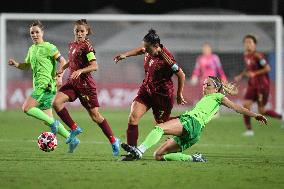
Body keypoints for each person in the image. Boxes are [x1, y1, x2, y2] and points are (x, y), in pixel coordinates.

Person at [121, 76, 267, 162]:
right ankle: (194, 158)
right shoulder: (207, 99)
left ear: (216, 89)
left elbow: (237, 107)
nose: (204, 87)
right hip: (195, 133)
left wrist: (255, 115)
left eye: (208, 85)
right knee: (158, 155)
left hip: (191, 122)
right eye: (203, 85)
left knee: (159, 128)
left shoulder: (218, 97)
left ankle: (139, 151)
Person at [114, 29, 186, 160]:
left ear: (156, 46)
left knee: (161, 124)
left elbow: (181, 74)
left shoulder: (167, 59)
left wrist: (179, 94)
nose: (145, 50)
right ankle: (133, 153)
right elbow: (141, 50)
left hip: (162, 96)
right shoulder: (148, 49)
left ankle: (186, 123)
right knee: (133, 117)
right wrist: (126, 55)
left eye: (147, 48)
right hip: (146, 90)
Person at [8, 21, 79, 153]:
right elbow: (27, 66)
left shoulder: (49, 47)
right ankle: (72, 138)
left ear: (42, 33)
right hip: (41, 86)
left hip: (46, 85)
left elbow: (63, 61)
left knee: (26, 108)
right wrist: (16, 64)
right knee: (48, 119)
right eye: (32, 33)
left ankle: (54, 124)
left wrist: (59, 76)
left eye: (37, 32)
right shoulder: (32, 49)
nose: (34, 35)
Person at [52, 19, 120, 156]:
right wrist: (62, 69)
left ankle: (113, 140)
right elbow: (72, 61)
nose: (79, 33)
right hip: (73, 83)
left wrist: (81, 71)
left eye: (82, 31)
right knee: (56, 103)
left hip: (86, 86)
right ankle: (74, 128)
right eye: (77, 30)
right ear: (74, 31)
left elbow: (95, 66)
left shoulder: (87, 46)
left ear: (87, 32)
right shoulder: (72, 45)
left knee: (95, 116)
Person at [234, 34, 282, 136]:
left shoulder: (258, 56)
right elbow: (248, 67)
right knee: (246, 105)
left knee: (262, 110)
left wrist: (255, 73)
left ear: (254, 45)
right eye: (246, 42)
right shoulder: (246, 55)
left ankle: (281, 117)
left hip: (262, 86)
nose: (248, 44)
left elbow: (267, 68)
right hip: (252, 85)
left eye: (250, 42)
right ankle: (249, 130)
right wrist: (241, 75)